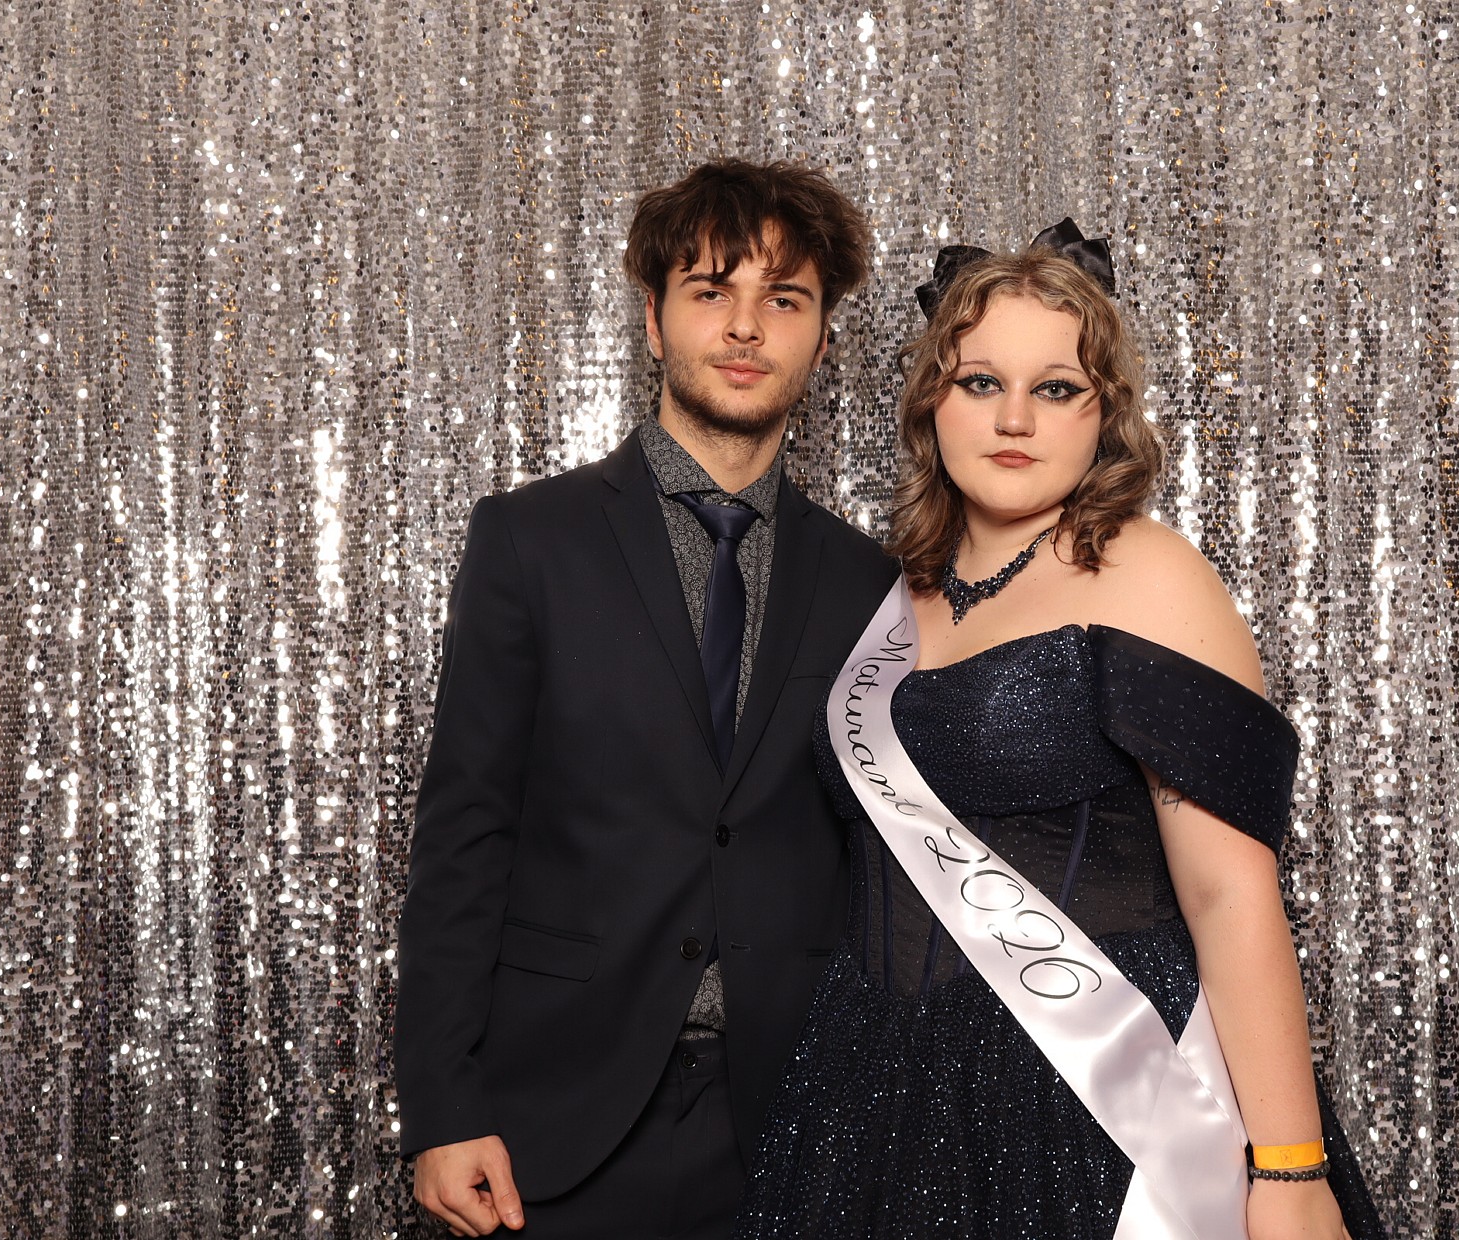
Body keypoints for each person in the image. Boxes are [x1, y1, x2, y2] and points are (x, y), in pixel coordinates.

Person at [735, 232, 1384, 1238]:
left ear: (1103, 412)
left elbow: (1229, 892)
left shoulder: (1149, 575)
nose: (1012, 418)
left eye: (1054, 388)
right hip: (866, 1092)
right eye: (980, 382)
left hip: (1091, 1101)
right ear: (930, 401)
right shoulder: (889, 596)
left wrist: (1290, 1172)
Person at [394, 158, 897, 1239]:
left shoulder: (871, 583)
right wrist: (443, 1103)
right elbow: (465, 832)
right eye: (711, 290)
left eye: (785, 299)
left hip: (791, 1123)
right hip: (554, 1118)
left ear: (823, 338)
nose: (746, 326)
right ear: (654, 320)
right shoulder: (529, 542)